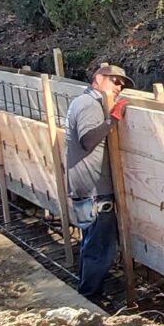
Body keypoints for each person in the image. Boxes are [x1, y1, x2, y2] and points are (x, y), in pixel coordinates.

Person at [61, 60, 130, 298]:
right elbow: (87, 140)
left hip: (86, 190)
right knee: (99, 249)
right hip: (94, 192)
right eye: (114, 81)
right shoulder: (90, 104)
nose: (119, 86)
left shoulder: (83, 102)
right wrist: (113, 120)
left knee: (91, 244)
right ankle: (89, 300)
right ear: (98, 79)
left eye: (122, 84)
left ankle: (87, 294)